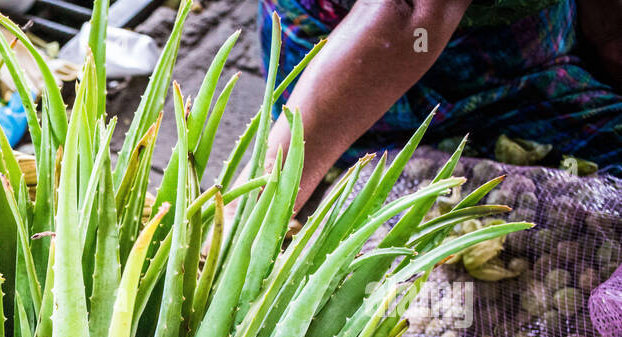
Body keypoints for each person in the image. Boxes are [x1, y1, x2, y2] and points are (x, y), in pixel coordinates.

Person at [259, 0, 622, 209]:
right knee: (336, 180)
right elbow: (408, 12)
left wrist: (607, 36)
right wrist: (263, 198)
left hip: (516, 47)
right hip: (353, 49)